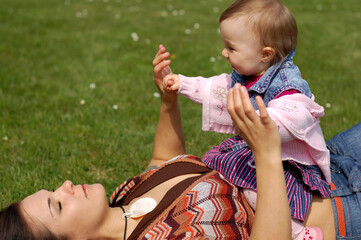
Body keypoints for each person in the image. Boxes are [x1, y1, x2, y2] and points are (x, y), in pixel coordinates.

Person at [0, 46, 359, 240]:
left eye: (52, 190)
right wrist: (266, 154)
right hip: (345, 212)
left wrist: (168, 101)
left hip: (331, 164)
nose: (64, 187)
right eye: (57, 206)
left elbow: (163, 160)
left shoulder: (124, 200)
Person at [161, 0, 330, 238]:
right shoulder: (247, 74)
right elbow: (216, 88)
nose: (224, 52)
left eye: (231, 47)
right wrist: (182, 83)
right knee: (222, 166)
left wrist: (261, 121)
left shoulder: (288, 85)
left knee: (255, 192)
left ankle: (299, 233)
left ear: (265, 54)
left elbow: (295, 117)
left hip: (290, 165)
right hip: (264, 154)